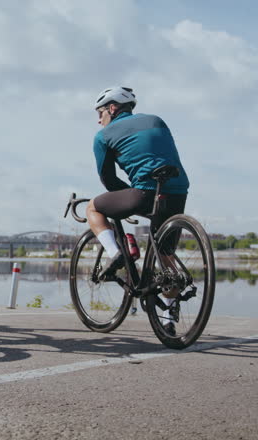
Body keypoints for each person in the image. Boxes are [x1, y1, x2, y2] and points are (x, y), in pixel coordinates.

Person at [85, 86, 189, 334]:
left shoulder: (102, 136)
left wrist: (127, 198)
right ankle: (168, 318)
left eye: (100, 113)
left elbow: (108, 180)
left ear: (112, 108)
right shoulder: (156, 120)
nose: (99, 120)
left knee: (93, 207)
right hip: (177, 188)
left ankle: (115, 252)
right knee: (164, 255)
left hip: (143, 191)